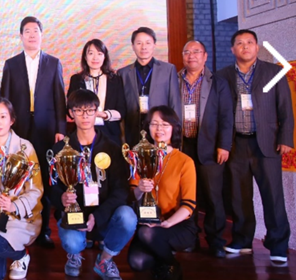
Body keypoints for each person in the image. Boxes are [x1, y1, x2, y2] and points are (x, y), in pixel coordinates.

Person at [216, 29, 293, 265]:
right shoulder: (223, 76)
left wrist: (286, 138)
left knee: (273, 196)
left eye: (250, 42)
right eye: (240, 43)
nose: (245, 46)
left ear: (257, 47)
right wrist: (222, 144)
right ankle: (242, 240)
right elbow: (220, 113)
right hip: (236, 144)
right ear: (233, 49)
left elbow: (285, 108)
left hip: (266, 143)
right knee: (239, 196)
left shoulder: (273, 72)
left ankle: (278, 246)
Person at [50, 89, 136, 280]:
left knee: (128, 217)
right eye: (79, 110)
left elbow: (121, 190)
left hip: (104, 213)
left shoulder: (111, 147)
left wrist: (97, 216)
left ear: (97, 112)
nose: (85, 116)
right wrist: (61, 197)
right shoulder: (60, 149)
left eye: (89, 110)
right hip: (74, 215)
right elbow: (51, 187)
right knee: (73, 242)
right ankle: (74, 255)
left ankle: (105, 260)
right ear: (71, 113)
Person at [1, 16, 66, 248]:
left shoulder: (53, 63)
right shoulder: (11, 64)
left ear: (41, 34)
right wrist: (5, 129)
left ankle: (43, 230)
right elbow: (5, 100)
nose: (31, 35)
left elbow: (60, 98)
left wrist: (60, 129)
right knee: (16, 178)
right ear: (21, 36)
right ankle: (16, 225)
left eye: (35, 31)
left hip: (46, 129)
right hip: (18, 129)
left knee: (44, 180)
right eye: (27, 31)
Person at [0, 98, 43, 280]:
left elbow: (35, 190)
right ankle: (2, 252)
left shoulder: (26, 148)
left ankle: (21, 255)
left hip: (18, 217)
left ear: (12, 120)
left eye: (3, 116)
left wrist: (14, 206)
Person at [127, 106, 197, 280]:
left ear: (174, 128)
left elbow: (189, 205)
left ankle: (172, 264)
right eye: (154, 124)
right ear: (147, 128)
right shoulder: (139, 156)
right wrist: (140, 188)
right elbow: (132, 195)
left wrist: (166, 223)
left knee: (147, 234)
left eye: (165, 124)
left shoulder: (185, 161)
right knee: (137, 262)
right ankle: (162, 259)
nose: (159, 129)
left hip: (177, 224)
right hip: (148, 221)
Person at [178, 40, 233, 257]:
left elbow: (226, 117)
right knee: (186, 194)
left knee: (212, 196)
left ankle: (216, 241)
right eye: (187, 52)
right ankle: (190, 238)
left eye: (196, 51)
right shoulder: (174, 80)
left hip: (210, 146)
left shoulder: (218, 83)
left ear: (205, 56)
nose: (191, 55)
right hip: (182, 146)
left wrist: (224, 145)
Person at [118, 27, 182, 147]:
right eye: (139, 43)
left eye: (148, 43)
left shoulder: (168, 70)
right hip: (133, 131)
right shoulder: (123, 73)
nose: (144, 47)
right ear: (133, 46)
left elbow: (175, 104)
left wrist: (175, 140)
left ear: (154, 45)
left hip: (160, 132)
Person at [68, 39, 127, 145]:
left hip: (109, 132)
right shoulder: (76, 79)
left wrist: (103, 114)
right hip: (82, 132)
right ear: (85, 57)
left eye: (100, 54)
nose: (95, 58)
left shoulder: (115, 80)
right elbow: (70, 108)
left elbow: (122, 110)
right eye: (91, 53)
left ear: (105, 57)